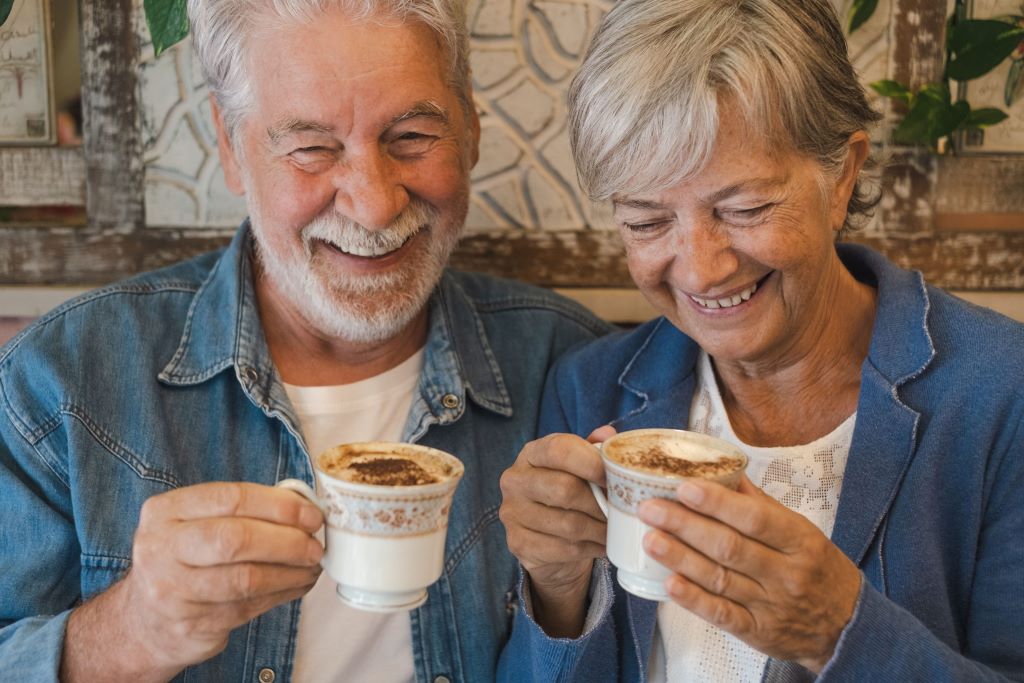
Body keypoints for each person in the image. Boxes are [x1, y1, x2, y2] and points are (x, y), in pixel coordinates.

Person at [0, 1, 610, 681]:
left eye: (412, 136)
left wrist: (562, 593)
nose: (374, 205)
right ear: (230, 146)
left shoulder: (575, 368)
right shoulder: (58, 383)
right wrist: (134, 630)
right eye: (313, 149)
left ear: (469, 126)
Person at [497, 0, 1024, 680]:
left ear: (842, 177)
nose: (701, 270)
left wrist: (840, 631)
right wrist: (556, 589)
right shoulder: (588, 387)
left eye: (745, 209)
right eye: (647, 222)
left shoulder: (1002, 393)